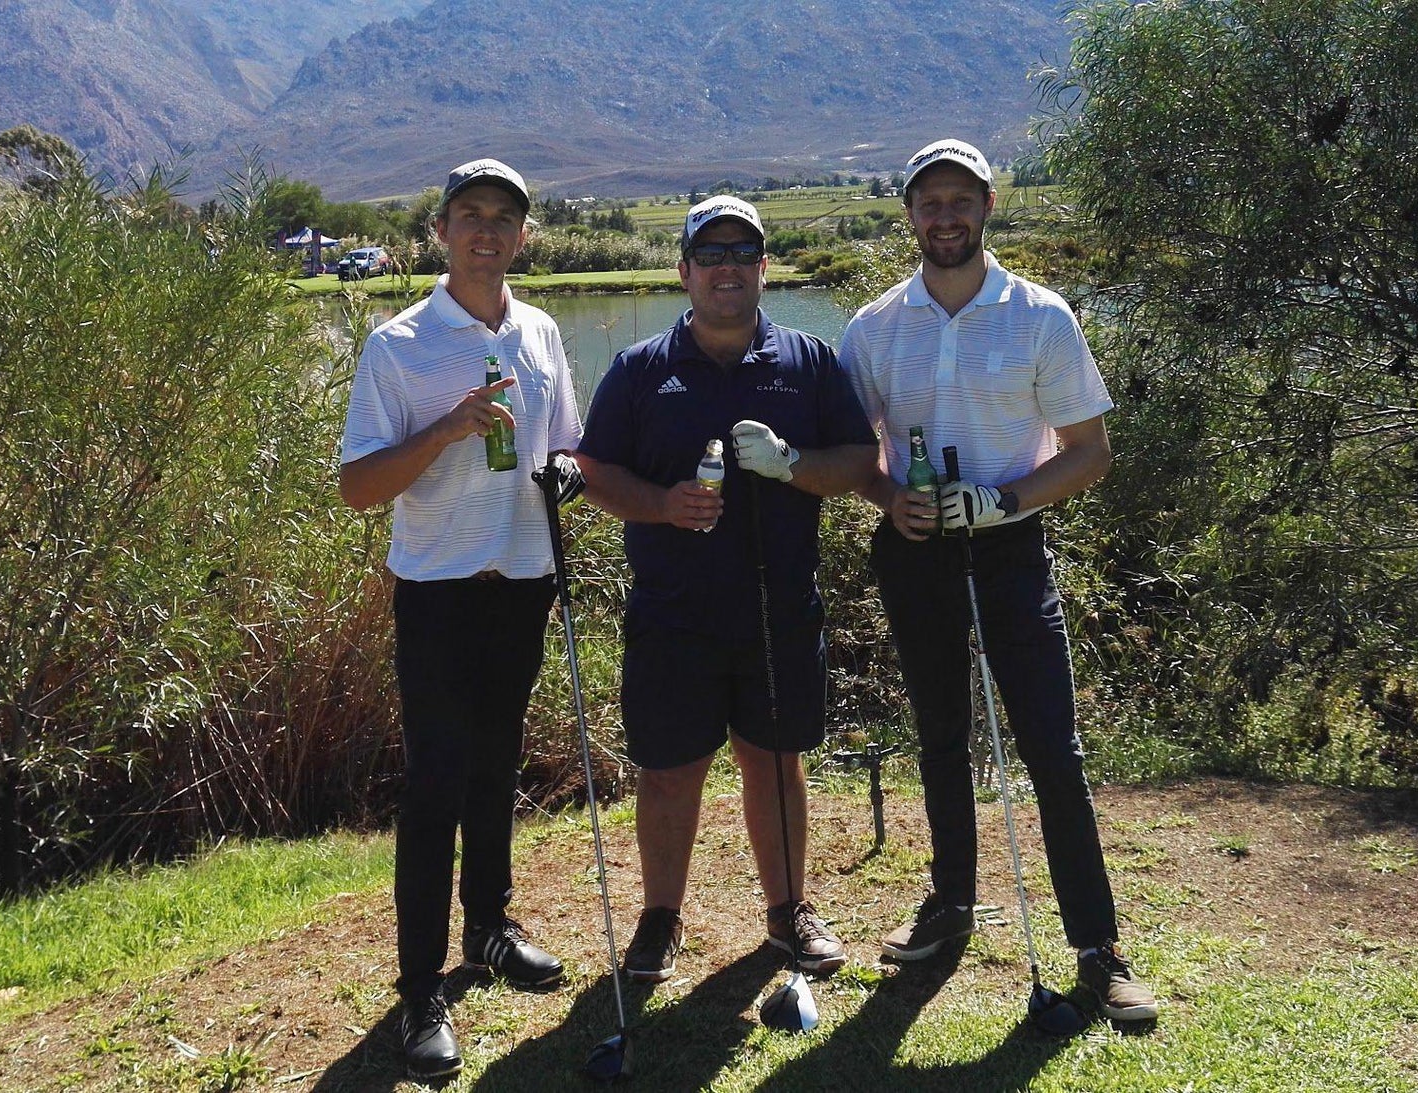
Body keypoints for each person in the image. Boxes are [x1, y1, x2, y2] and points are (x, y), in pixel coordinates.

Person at [841, 138, 1160, 1022]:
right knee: (940, 740)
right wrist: (886, 495)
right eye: (928, 202)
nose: (944, 216)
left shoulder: (1041, 316)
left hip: (1010, 551)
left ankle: (1098, 948)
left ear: (987, 208)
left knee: (1052, 749)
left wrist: (1003, 500)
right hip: (914, 552)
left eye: (960, 200)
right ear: (908, 214)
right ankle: (949, 908)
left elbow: (1090, 452)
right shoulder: (873, 327)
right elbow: (849, 455)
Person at [576, 196, 877, 986]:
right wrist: (662, 504)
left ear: (764, 268)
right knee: (670, 770)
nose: (728, 268)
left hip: (779, 608)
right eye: (710, 255)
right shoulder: (641, 368)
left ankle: (788, 914)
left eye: (744, 252)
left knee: (775, 764)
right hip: (673, 611)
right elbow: (595, 469)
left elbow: (857, 459)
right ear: (684, 271)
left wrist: (793, 465)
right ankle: (660, 919)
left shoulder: (808, 360)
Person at [337, 157, 586, 1079]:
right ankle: (417, 990)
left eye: (504, 218)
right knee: (435, 784)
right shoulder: (397, 344)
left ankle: (487, 928)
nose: (487, 231)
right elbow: (359, 487)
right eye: (469, 215)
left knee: (495, 770)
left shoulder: (542, 330)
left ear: (525, 236)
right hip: (438, 591)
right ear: (440, 232)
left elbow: (567, 440)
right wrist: (443, 430)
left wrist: (568, 470)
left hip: (522, 576)